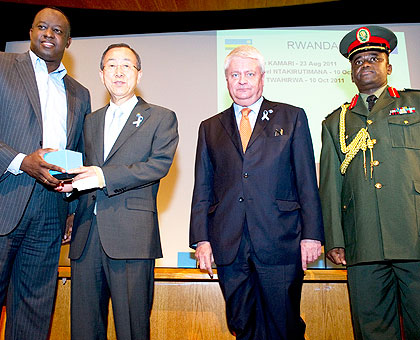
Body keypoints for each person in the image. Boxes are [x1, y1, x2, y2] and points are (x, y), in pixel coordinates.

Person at [189, 45, 324, 340]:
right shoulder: (210, 127)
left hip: (281, 240)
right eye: (235, 74)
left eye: (249, 73)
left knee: (284, 325)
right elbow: (202, 187)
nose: (242, 81)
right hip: (228, 243)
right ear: (226, 80)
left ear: (262, 77)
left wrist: (312, 234)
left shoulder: (292, 117)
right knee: (241, 324)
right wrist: (201, 239)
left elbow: (306, 180)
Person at [61, 43, 178, 340]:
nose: (119, 71)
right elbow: (83, 168)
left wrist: (103, 176)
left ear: (139, 75)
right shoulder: (90, 121)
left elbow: (158, 166)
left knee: (132, 328)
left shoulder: (161, 117)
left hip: (132, 236)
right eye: (111, 65)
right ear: (101, 75)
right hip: (87, 236)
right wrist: (69, 197)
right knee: (84, 329)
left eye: (127, 65)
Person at [319, 25, 420, 340]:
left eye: (373, 58)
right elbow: (330, 183)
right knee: (372, 330)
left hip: (414, 234)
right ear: (350, 72)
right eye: (357, 61)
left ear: (388, 66)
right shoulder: (335, 121)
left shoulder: (416, 105)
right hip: (362, 241)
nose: (365, 64)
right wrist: (335, 238)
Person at [0, 7, 90, 340]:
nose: (48, 34)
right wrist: (21, 160)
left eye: (57, 30)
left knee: (34, 312)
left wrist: (72, 210)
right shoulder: (3, 65)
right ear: (30, 31)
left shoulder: (80, 93)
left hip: (51, 211)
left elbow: (79, 152)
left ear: (68, 40)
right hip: (5, 198)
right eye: (42, 26)